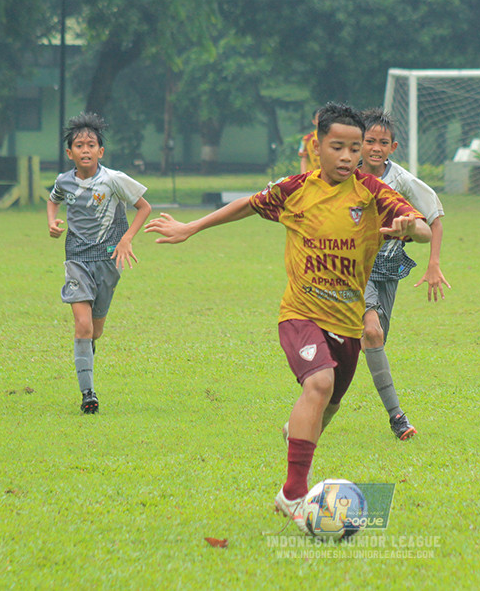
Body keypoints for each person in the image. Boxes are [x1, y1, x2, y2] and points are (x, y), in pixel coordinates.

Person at [144, 102, 430, 533]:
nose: (349, 157)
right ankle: (293, 493)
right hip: (301, 313)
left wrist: (410, 227)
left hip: (348, 321)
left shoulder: (371, 191)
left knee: (326, 408)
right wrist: (191, 228)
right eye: (339, 147)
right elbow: (246, 204)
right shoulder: (295, 189)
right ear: (317, 146)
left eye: (355, 148)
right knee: (319, 383)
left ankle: (298, 429)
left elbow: (423, 228)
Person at [47, 112, 152, 414]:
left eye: (91, 144)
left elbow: (144, 207)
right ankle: (88, 394)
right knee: (82, 325)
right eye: (79, 145)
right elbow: (53, 199)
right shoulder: (63, 182)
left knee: (94, 331)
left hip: (108, 261)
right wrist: (52, 222)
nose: (85, 150)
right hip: (77, 260)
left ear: (100, 151)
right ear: (70, 153)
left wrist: (127, 238)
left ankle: (87, 354)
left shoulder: (114, 180)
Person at [358, 108, 450, 440]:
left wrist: (433, 263)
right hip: (354, 269)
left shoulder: (402, 181)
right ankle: (397, 417)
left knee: (372, 340)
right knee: (372, 333)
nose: (376, 148)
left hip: (388, 267)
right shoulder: (345, 176)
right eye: (370, 141)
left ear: (393, 147)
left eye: (383, 142)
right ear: (360, 143)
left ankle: (311, 413)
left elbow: (434, 218)